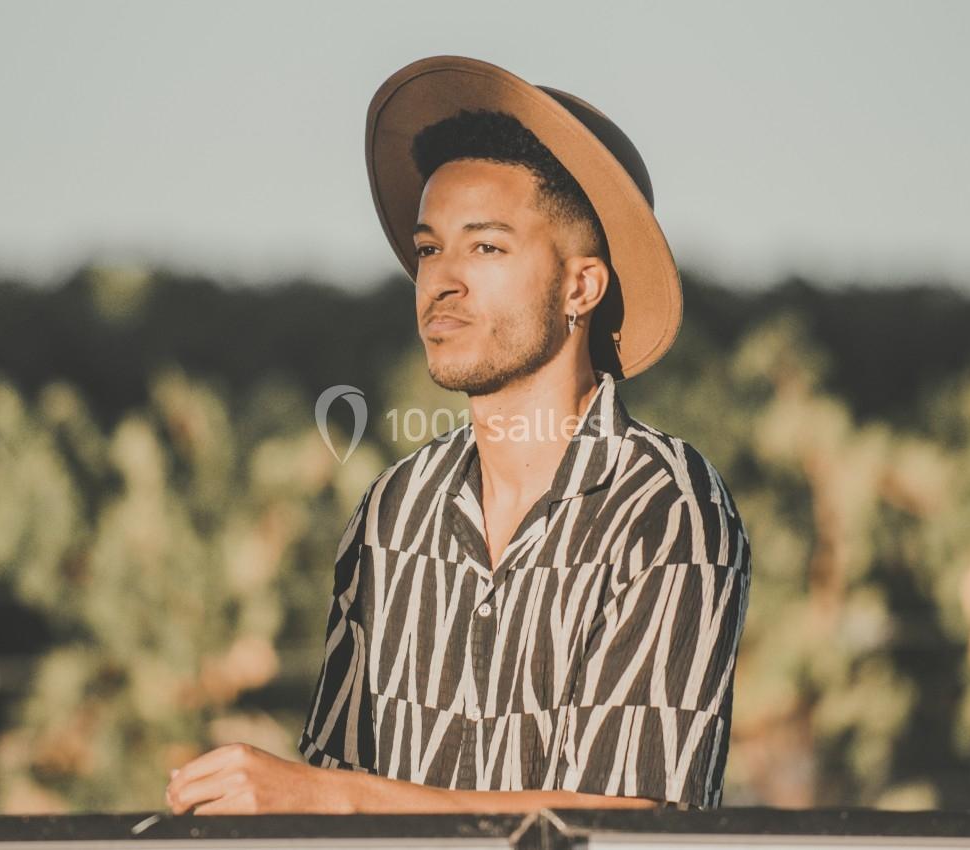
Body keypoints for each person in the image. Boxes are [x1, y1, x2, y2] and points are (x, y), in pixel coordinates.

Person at [166, 55, 751, 815]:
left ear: (581, 286)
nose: (441, 281)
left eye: (486, 247)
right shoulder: (390, 512)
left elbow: (627, 820)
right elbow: (336, 789)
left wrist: (333, 798)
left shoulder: (667, 506)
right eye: (428, 249)